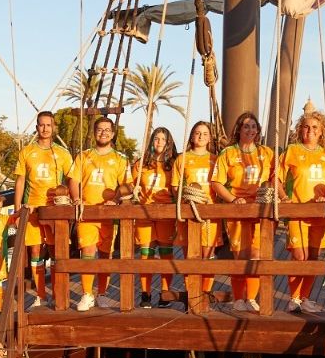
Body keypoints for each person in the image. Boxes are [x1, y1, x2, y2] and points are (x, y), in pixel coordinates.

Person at [210, 113, 276, 311]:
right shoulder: (228, 153)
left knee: (256, 256)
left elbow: (275, 178)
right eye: (246, 126)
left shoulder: (267, 153)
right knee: (240, 256)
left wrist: (282, 197)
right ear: (239, 129)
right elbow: (216, 182)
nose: (250, 130)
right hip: (237, 210)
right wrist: (232, 199)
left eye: (253, 126)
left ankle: (251, 298)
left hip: (261, 210)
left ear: (258, 130)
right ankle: (239, 298)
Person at [69, 116, 132, 311]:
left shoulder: (121, 159)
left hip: (108, 213)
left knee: (106, 254)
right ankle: (87, 294)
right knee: (87, 252)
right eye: (100, 129)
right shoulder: (83, 156)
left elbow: (127, 185)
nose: (103, 133)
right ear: (94, 132)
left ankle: (102, 293)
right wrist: (76, 198)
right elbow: (73, 180)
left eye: (107, 130)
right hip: (87, 212)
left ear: (112, 134)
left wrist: (118, 198)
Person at [14, 111, 76, 309]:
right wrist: (17, 210)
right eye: (41, 125)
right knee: (34, 251)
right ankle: (40, 295)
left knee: (55, 250)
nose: (45, 128)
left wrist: (75, 199)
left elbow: (72, 178)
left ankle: (57, 294)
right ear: (37, 127)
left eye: (48, 125)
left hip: (54, 210)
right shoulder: (26, 151)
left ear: (53, 127)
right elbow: (20, 180)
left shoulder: (62, 153)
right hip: (32, 209)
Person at [279, 105, 325, 315]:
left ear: (321, 132)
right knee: (299, 256)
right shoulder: (292, 151)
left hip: (319, 212)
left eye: (315, 127)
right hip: (298, 211)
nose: (310, 131)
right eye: (306, 127)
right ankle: (294, 298)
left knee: (313, 257)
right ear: (300, 129)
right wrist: (284, 198)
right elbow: (276, 177)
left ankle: (305, 298)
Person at [172, 120, 219, 308]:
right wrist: (185, 200)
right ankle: (192, 296)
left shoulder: (216, 159)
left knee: (208, 256)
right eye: (198, 133)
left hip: (209, 214)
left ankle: (205, 295)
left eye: (205, 133)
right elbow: (176, 186)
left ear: (210, 138)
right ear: (192, 136)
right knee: (190, 257)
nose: (201, 136)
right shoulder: (182, 159)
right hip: (189, 212)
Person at [133, 127, 178, 308]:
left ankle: (165, 294)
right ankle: (146, 294)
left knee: (166, 254)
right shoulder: (141, 164)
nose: (159, 142)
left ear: (169, 143)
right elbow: (131, 184)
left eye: (163, 139)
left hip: (166, 214)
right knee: (146, 255)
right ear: (152, 141)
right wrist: (133, 190)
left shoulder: (174, 164)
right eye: (156, 139)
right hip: (145, 213)